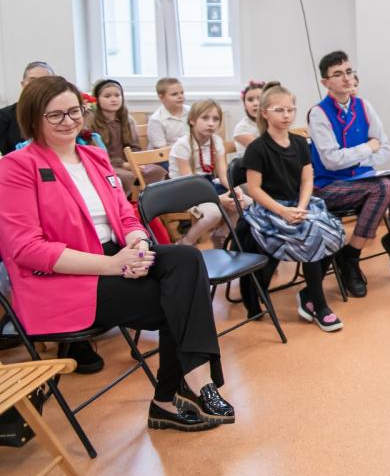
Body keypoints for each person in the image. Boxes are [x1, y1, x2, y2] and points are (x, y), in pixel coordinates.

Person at [0, 76, 235, 432]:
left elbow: (125, 214)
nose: (68, 121)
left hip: (116, 255)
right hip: (64, 277)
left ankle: (188, 387)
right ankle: (179, 393)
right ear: (33, 118)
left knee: (186, 260)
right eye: (55, 115)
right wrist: (112, 264)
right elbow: (27, 249)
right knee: (177, 300)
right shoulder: (16, 167)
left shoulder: (93, 157)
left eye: (74, 111)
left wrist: (138, 242)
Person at [240, 84, 345, 332]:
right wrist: (283, 211)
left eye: (291, 109)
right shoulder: (257, 148)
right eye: (279, 110)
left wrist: (301, 206)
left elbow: (307, 180)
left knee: (334, 232)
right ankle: (320, 306)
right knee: (311, 237)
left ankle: (308, 294)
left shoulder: (299, 142)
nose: (287, 115)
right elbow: (254, 189)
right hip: (269, 210)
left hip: (299, 204)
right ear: (264, 113)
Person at [308, 50, 390, 294]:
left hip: (362, 179)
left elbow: (384, 148)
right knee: (383, 187)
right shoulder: (318, 113)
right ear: (325, 82)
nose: (346, 78)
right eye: (338, 74)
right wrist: (366, 148)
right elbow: (332, 161)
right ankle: (351, 257)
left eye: (348, 71)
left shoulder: (364, 106)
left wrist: (356, 158)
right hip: (329, 186)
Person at [169, 100, 244, 247]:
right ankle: (185, 242)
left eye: (215, 119)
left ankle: (221, 234)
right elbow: (189, 184)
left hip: (207, 186)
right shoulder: (182, 145)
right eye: (205, 118)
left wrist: (234, 189)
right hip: (184, 190)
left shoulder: (216, 141)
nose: (211, 123)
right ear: (192, 120)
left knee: (244, 203)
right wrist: (217, 199)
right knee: (213, 213)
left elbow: (222, 173)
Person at [89, 78, 165, 197]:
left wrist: (134, 163)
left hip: (129, 162)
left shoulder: (128, 121)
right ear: (97, 99)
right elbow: (95, 153)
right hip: (107, 165)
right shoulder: (91, 122)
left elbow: (134, 147)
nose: (113, 99)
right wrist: (123, 165)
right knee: (127, 177)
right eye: (107, 96)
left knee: (156, 170)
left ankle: (146, 202)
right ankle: (125, 203)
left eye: (117, 95)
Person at [0, 60, 54, 154]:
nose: (38, 85)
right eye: (32, 80)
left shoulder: (63, 114)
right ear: (23, 84)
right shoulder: (4, 116)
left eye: (44, 80)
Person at [147, 77, 188, 150]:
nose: (180, 96)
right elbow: (161, 150)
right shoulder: (156, 120)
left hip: (189, 152)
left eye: (182, 93)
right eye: (174, 94)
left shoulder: (192, 111)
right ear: (161, 97)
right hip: (166, 154)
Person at [231, 79, 266, 160]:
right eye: (250, 100)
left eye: (260, 99)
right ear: (245, 105)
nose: (255, 103)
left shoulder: (272, 122)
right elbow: (262, 150)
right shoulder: (242, 128)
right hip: (247, 164)